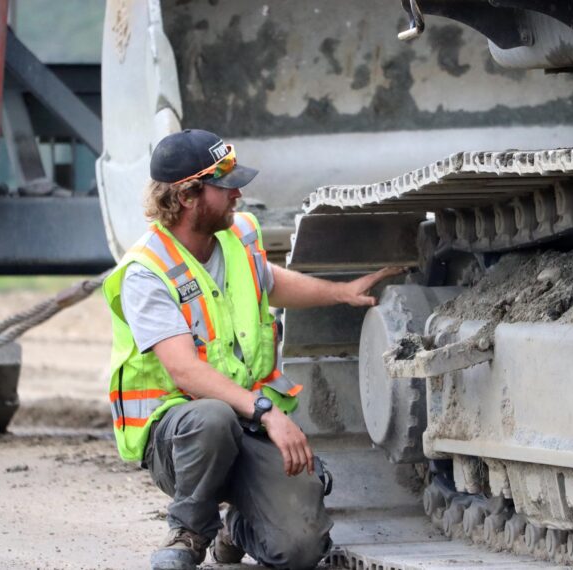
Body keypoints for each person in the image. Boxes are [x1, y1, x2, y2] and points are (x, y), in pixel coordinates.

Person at [103, 129, 400, 570]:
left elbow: (269, 280)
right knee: (212, 416)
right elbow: (184, 372)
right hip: (181, 437)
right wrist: (266, 412)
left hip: (245, 424)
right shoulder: (147, 272)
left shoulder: (236, 234)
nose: (239, 193)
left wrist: (340, 293)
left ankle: (236, 529)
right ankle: (188, 530)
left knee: (299, 549)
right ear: (188, 196)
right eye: (226, 186)